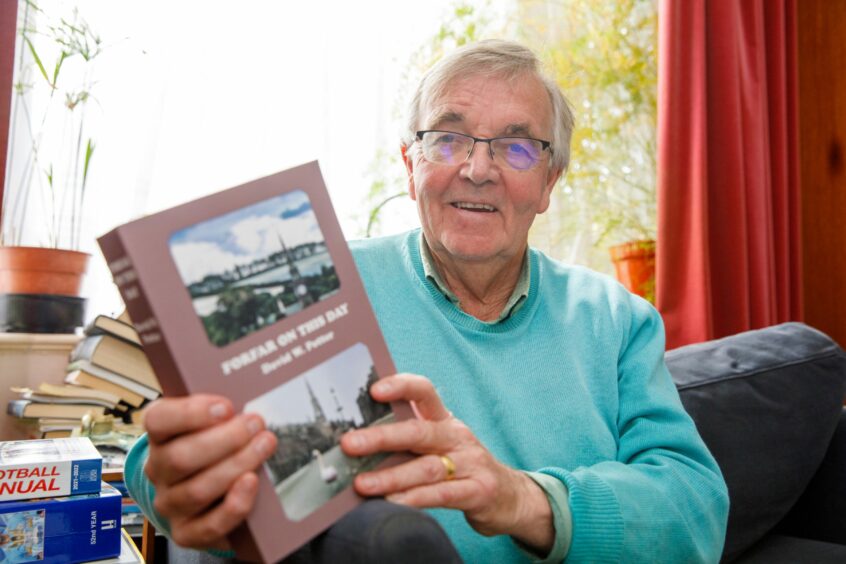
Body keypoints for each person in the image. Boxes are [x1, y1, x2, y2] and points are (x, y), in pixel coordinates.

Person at [126, 39, 729, 562]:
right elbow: (158, 460)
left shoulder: (616, 318)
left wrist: (519, 498)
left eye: (518, 148)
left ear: (549, 184)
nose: (477, 169)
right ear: (410, 163)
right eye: (447, 139)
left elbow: (696, 511)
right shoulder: (321, 279)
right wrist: (177, 481)